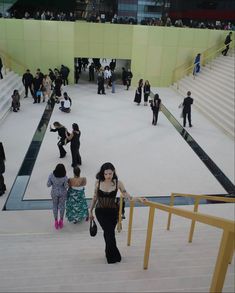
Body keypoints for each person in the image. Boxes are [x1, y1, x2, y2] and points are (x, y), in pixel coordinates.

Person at [89, 162, 131, 264]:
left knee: (109, 233)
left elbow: (126, 195)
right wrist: (90, 211)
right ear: (102, 173)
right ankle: (112, 256)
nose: (108, 176)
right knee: (109, 232)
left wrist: (137, 199)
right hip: (100, 211)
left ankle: (109, 252)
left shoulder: (118, 183)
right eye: (106, 174)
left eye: (110, 174)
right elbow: (95, 197)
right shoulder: (98, 182)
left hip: (113, 212)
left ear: (113, 173)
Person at [47, 164, 68, 229]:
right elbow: (66, 186)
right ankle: (61, 220)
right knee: (62, 206)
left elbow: (48, 185)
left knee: (55, 206)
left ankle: (56, 221)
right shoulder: (65, 177)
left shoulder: (51, 175)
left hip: (54, 193)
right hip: (62, 193)